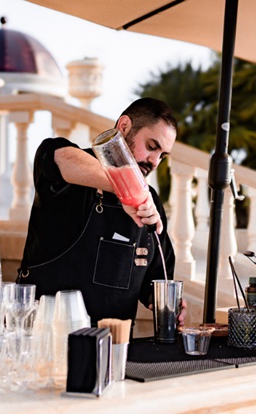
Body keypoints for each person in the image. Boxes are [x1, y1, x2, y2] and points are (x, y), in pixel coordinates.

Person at [17, 97, 187, 328]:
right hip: (47, 339)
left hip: (111, 350)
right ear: (124, 126)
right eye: (151, 147)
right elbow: (59, 155)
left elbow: (156, 278)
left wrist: (166, 302)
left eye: (162, 155)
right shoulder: (70, 171)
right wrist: (131, 192)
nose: (154, 162)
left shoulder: (151, 201)